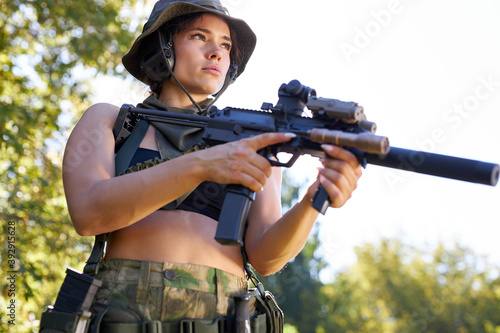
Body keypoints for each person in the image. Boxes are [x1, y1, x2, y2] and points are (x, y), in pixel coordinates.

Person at [61, 0, 362, 331]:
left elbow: (265, 257)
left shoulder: (254, 141)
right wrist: (202, 165)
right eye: (199, 36)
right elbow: (90, 213)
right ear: (163, 47)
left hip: (227, 316)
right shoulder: (112, 120)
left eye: (226, 44)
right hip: (125, 314)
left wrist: (313, 201)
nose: (216, 52)